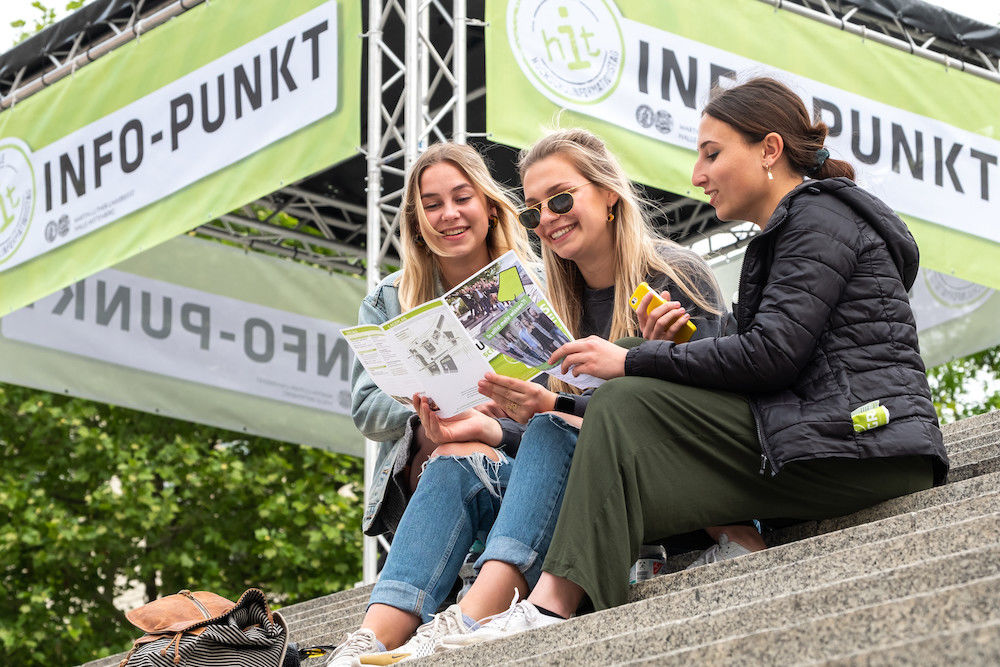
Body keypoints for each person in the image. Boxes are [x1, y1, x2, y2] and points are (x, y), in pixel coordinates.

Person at [440, 77, 949, 640]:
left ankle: (553, 604)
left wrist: (634, 359)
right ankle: (562, 596)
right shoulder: (790, 231)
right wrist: (580, 390)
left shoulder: (819, 219)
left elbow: (772, 357)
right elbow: (765, 352)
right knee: (617, 407)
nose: (697, 175)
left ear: (769, 150)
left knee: (627, 396)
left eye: (712, 154)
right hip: (829, 438)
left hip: (870, 448)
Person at [347, 127, 725, 665]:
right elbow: (557, 423)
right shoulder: (561, 293)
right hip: (556, 469)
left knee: (548, 428)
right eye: (536, 210)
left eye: (562, 199)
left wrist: (641, 360)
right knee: (457, 459)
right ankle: (371, 640)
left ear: (609, 193)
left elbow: (699, 407)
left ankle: (479, 612)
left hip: (648, 481)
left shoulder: (661, 275)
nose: (548, 218)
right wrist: (484, 424)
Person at [330, 141, 536, 665]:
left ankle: (377, 634)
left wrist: (488, 417)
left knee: (461, 442)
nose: (449, 215)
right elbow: (366, 408)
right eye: (432, 204)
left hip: (522, 464)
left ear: (489, 205)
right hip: (428, 466)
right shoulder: (390, 297)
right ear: (417, 221)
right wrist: (430, 411)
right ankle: (379, 638)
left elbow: (569, 398)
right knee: (448, 440)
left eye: (461, 197)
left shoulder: (541, 280)